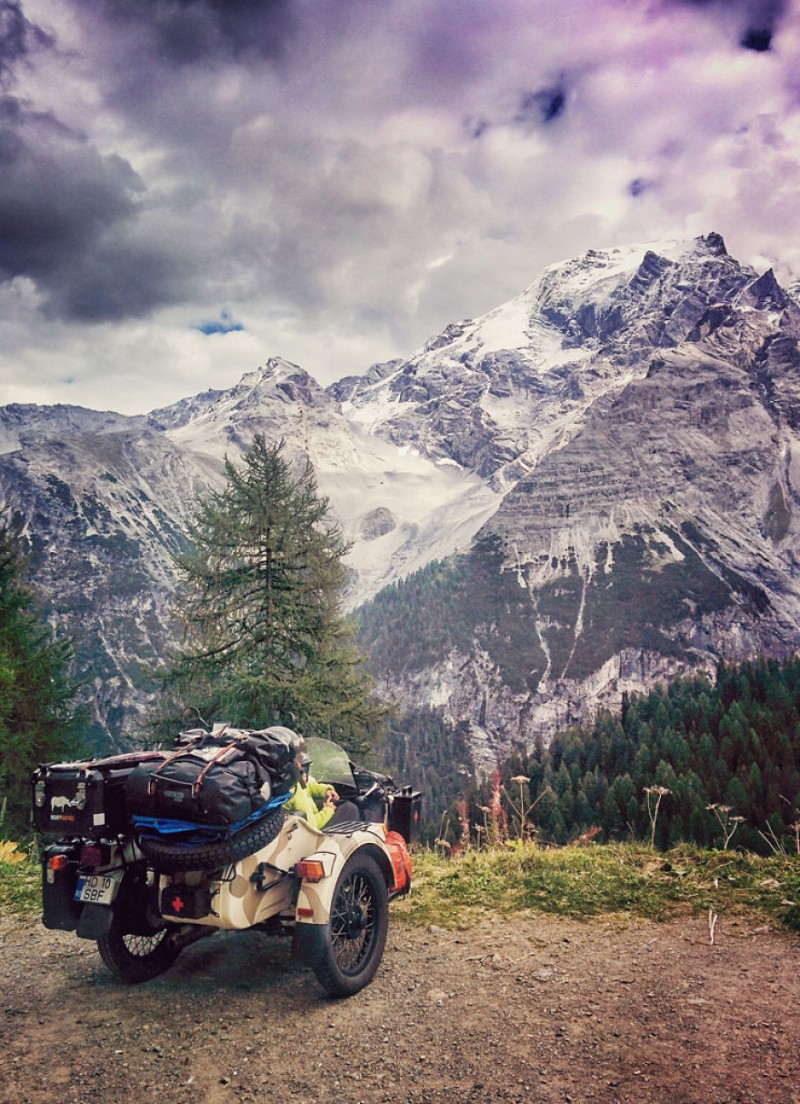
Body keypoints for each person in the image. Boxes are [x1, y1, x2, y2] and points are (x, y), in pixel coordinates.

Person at [282, 737, 360, 830]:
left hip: (305, 821)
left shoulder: (286, 783)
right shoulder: (296, 793)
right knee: (350, 809)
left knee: (340, 803)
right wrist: (328, 810)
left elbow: (308, 785)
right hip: (313, 834)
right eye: (303, 768)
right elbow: (311, 826)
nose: (304, 773)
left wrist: (325, 790)